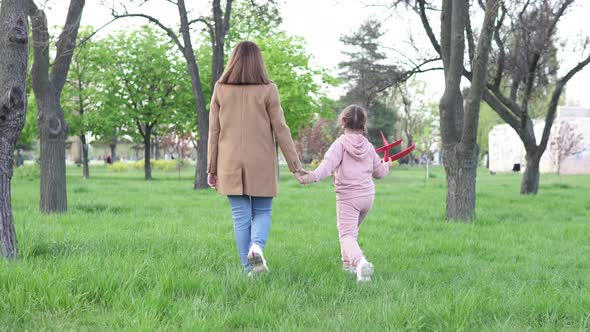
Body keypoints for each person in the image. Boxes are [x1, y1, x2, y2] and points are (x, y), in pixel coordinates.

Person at [207, 41, 305, 275]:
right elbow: (281, 129)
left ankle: (249, 271)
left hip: (229, 162)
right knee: (262, 211)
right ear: (258, 62)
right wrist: (295, 166)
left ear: (233, 61)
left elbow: (214, 131)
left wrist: (212, 169)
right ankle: (257, 247)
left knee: (240, 217)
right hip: (261, 161)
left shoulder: (220, 88)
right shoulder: (268, 89)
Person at [298, 105, 390, 282]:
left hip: (349, 198)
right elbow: (379, 173)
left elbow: (326, 166)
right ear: (363, 124)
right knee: (351, 233)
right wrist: (386, 165)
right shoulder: (369, 146)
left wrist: (311, 177)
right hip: (368, 197)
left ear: (342, 122)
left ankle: (360, 262)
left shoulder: (340, 144)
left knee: (347, 235)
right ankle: (347, 266)